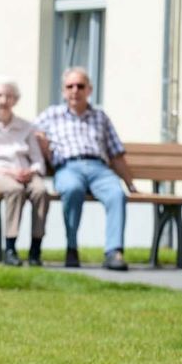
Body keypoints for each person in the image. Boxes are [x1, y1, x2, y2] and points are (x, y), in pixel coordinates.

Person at [36, 67, 137, 270]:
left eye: (80, 86)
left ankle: (114, 252)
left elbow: (116, 153)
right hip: (67, 167)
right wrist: (42, 144)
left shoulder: (101, 117)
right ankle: (72, 248)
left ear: (89, 90)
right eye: (70, 86)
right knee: (73, 190)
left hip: (99, 168)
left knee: (117, 195)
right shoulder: (51, 115)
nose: (75, 90)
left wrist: (130, 184)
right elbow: (31, 136)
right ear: (63, 91)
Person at [0, 77, 49, 266]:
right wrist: (9, 172)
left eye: (9, 96)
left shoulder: (26, 127)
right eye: (0, 95)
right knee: (15, 190)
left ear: (15, 100)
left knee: (41, 191)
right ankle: (10, 248)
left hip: (25, 173)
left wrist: (30, 171)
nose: (4, 100)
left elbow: (38, 160)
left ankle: (35, 249)